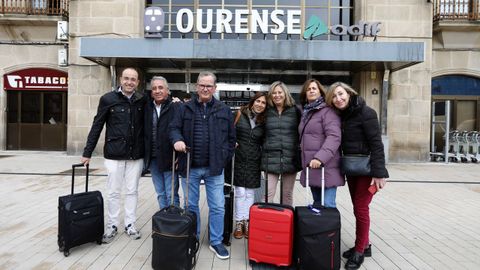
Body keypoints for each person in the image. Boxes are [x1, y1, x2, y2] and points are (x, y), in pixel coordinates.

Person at [169, 71, 236, 260]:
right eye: (202, 85)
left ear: (215, 88)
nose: (205, 89)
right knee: (190, 205)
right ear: (196, 86)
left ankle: (216, 241)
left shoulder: (224, 109)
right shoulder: (184, 108)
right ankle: (193, 236)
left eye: (209, 86)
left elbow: (231, 139)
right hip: (189, 166)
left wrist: (224, 157)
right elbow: (173, 128)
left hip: (215, 167)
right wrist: (177, 140)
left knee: (218, 207)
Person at [326, 82, 389, 270]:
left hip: (367, 170)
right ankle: (365, 245)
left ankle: (360, 251)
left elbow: (377, 144)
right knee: (357, 207)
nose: (338, 99)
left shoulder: (366, 113)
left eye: (341, 94)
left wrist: (379, 174)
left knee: (361, 209)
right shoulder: (341, 115)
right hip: (352, 168)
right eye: (334, 97)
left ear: (349, 93)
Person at [81, 67, 146, 243]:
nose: (129, 82)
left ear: (138, 82)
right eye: (126, 78)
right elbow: (97, 126)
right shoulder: (108, 99)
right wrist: (87, 152)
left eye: (133, 79)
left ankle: (130, 225)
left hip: (135, 156)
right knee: (113, 192)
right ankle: (112, 226)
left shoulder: (142, 100)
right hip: (114, 155)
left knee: (132, 191)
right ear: (120, 79)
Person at [298, 79, 344, 208]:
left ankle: (331, 229)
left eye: (314, 88)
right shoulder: (306, 113)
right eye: (308, 89)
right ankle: (320, 228)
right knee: (317, 204)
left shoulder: (328, 111)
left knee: (328, 205)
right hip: (312, 167)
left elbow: (334, 136)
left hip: (326, 166)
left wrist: (320, 157)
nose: (311, 91)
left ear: (320, 92)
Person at [231, 92, 267, 239]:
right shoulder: (239, 114)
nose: (260, 105)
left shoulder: (264, 121)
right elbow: (228, 131)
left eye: (263, 103)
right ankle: (239, 222)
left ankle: (247, 221)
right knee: (240, 192)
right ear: (252, 102)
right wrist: (231, 141)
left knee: (250, 193)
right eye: (258, 101)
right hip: (238, 158)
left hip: (254, 160)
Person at [261, 81, 301, 206]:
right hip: (270, 159)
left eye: (279, 92)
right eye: (274, 93)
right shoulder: (266, 111)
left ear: (285, 93)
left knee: (287, 195)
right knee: (267, 195)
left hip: (290, 159)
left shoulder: (296, 110)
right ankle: (265, 224)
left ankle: (287, 225)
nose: (277, 95)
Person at [144, 76, 180, 209]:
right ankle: (164, 221)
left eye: (160, 88)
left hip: (170, 158)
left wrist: (179, 157)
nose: (157, 91)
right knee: (160, 193)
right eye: (154, 88)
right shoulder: (147, 107)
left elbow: (182, 132)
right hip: (153, 158)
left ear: (167, 90)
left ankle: (174, 223)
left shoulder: (176, 107)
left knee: (172, 194)